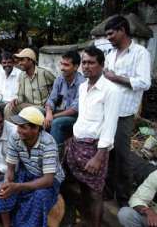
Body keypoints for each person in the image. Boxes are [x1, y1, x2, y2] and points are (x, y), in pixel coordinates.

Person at [65, 46, 121, 227]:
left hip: (95, 149)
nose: (86, 66)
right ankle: (87, 219)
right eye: (84, 62)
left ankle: (95, 224)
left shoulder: (111, 90)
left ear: (102, 65)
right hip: (77, 145)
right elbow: (83, 117)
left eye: (91, 62)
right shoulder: (82, 87)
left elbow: (110, 125)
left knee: (95, 191)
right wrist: (72, 137)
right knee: (82, 185)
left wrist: (100, 155)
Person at [103, 15, 151, 207]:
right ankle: (107, 191)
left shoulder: (140, 53)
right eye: (106, 34)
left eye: (111, 33)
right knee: (107, 151)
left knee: (122, 154)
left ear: (122, 30)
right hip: (107, 109)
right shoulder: (110, 54)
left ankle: (123, 198)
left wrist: (117, 78)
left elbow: (144, 82)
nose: (108, 38)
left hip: (124, 112)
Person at [0, 106, 64, 227]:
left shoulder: (48, 143)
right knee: (3, 189)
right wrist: (8, 182)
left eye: (23, 127)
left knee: (39, 197)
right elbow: (10, 169)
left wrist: (17, 187)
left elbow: (48, 180)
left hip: (49, 179)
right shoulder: (15, 137)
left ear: (36, 129)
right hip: (28, 172)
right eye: (18, 126)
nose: (18, 130)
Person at [44, 50, 85, 148]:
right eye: (61, 64)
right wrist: (49, 113)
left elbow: (74, 110)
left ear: (75, 67)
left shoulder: (82, 83)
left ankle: (53, 154)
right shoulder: (59, 79)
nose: (62, 68)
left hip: (75, 117)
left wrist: (53, 116)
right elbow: (51, 100)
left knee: (56, 122)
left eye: (66, 65)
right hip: (58, 112)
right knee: (36, 112)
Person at [4, 48, 55, 119]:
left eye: (22, 60)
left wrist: (51, 107)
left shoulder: (44, 73)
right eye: (19, 60)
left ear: (30, 60)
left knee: (30, 111)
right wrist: (15, 101)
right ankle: (13, 129)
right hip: (29, 106)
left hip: (43, 108)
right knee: (8, 107)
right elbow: (21, 97)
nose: (19, 63)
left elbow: (58, 87)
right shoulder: (21, 76)